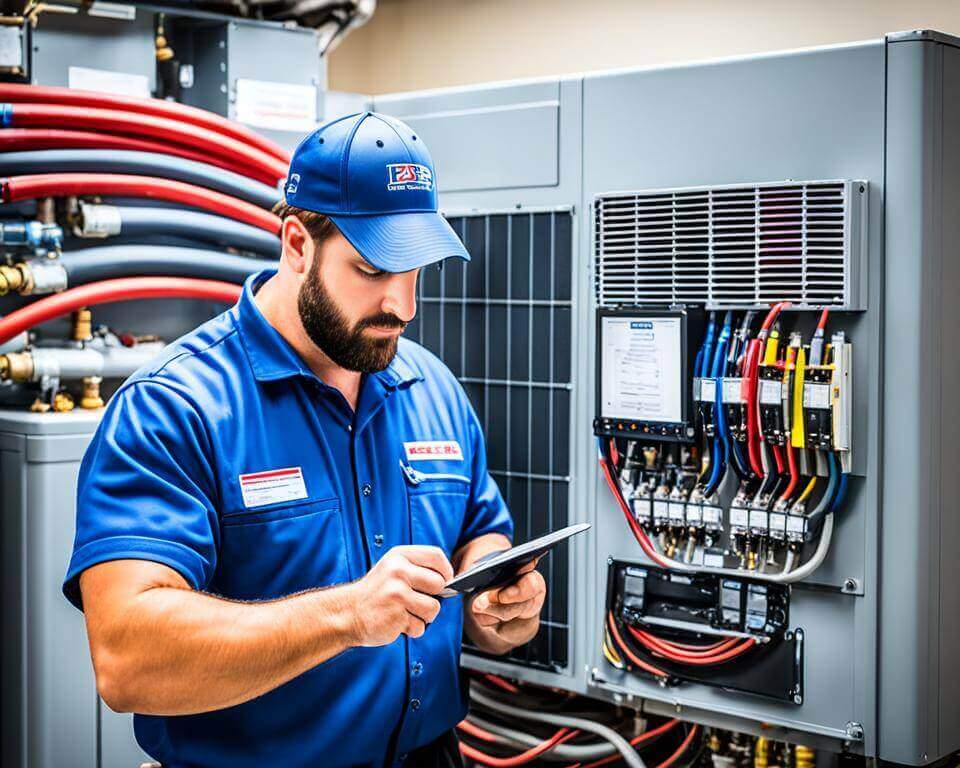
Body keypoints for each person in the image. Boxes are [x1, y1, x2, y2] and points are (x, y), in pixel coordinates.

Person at [62, 112, 547, 768]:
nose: (402, 306)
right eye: (374, 268)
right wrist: (347, 615)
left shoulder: (430, 387)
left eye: (416, 271)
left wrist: (495, 600)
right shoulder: (173, 410)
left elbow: (479, 533)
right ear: (296, 243)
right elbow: (127, 658)